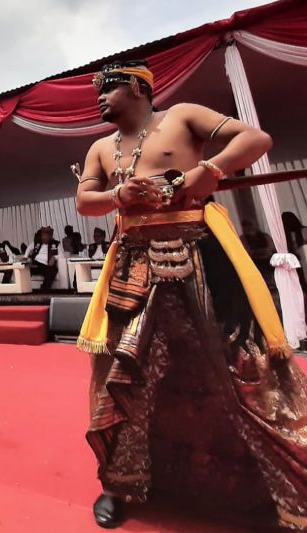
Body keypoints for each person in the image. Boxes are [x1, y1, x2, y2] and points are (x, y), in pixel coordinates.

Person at [76, 59, 307, 530]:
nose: (99, 98)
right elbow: (84, 202)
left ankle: (283, 483)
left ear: (138, 88)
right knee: (124, 371)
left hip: (200, 251)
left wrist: (210, 169)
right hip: (131, 264)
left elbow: (255, 139)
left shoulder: (182, 115)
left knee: (237, 360)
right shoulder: (100, 147)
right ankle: (119, 483)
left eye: (108, 89)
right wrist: (120, 196)